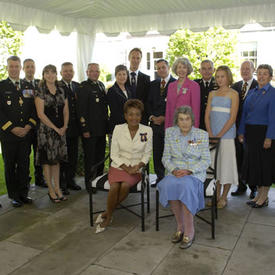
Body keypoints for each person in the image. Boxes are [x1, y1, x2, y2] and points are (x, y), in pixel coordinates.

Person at [95, 99, 152, 233]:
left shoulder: (147, 130)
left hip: (136, 168)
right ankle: (109, 215)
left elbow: (147, 154)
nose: (134, 117)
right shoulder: (118, 129)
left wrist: (137, 166)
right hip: (119, 167)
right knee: (115, 186)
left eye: (137, 114)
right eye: (131, 114)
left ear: (141, 116)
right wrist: (127, 168)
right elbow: (114, 154)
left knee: (125, 185)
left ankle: (107, 214)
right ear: (125, 115)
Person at [157, 106, 210, 249]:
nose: (184, 122)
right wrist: (174, 170)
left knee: (185, 187)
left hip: (193, 173)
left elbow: (206, 160)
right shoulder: (170, 133)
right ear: (176, 121)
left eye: (187, 119)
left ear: (192, 120)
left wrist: (189, 170)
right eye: (181, 119)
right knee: (168, 185)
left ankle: (189, 229)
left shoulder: (201, 135)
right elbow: (165, 157)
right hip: (175, 171)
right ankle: (180, 226)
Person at [0, 56, 37, 207]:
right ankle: (14, 196)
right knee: (10, 166)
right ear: (7, 68)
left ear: (20, 68)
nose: (14, 69)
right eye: (11, 66)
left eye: (17, 66)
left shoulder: (27, 86)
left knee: (24, 164)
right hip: (8, 134)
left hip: (25, 134)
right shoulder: (1, 86)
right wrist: (12, 128)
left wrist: (28, 126)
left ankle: (23, 193)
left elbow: (33, 109)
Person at [238, 64, 275, 208]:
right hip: (250, 134)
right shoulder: (252, 92)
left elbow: (273, 118)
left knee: (264, 166)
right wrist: (241, 132)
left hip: (264, 134)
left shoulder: (273, 93)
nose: (261, 76)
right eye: (259, 73)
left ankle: (264, 197)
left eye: (265, 74)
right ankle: (258, 196)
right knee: (255, 166)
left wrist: (269, 137)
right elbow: (244, 115)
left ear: (271, 77)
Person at [205, 65, 239, 208]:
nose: (219, 79)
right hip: (212, 136)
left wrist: (219, 135)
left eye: (222, 76)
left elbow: (232, 118)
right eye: (217, 76)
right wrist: (211, 134)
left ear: (228, 77)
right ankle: (215, 196)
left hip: (226, 136)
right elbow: (206, 116)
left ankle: (224, 197)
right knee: (215, 167)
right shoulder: (212, 94)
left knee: (226, 166)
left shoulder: (234, 94)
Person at [35, 64, 69, 203]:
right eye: (47, 73)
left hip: (61, 130)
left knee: (56, 162)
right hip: (46, 132)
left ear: (56, 74)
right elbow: (40, 114)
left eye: (53, 73)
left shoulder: (61, 89)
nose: (50, 75)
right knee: (47, 162)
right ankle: (50, 190)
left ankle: (58, 188)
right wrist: (56, 128)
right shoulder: (40, 90)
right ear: (43, 75)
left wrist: (65, 126)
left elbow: (66, 110)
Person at [76, 63, 109, 192]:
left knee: (100, 157)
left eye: (97, 71)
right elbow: (81, 110)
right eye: (92, 71)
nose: (95, 73)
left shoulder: (100, 85)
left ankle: (98, 180)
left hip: (101, 129)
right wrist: (85, 129)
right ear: (87, 72)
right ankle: (89, 183)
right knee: (90, 158)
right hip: (90, 131)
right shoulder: (83, 87)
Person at [231, 61, 258, 199]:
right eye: (243, 69)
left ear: (253, 70)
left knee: (251, 160)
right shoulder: (235, 86)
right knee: (239, 158)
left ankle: (254, 188)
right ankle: (241, 185)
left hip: (252, 130)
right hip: (236, 129)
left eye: (248, 69)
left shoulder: (259, 86)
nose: (245, 71)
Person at [147, 59, 176, 187]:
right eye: (158, 68)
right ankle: (160, 177)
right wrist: (152, 117)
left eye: (163, 67)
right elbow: (148, 103)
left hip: (169, 124)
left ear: (168, 68)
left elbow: (176, 105)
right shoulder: (153, 84)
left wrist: (165, 117)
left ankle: (171, 178)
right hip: (155, 124)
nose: (161, 70)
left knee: (169, 152)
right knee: (157, 152)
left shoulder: (176, 83)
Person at [22, 58, 47, 188]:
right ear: (23, 69)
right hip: (26, 126)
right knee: (25, 156)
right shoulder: (19, 85)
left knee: (39, 153)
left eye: (32, 66)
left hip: (39, 126)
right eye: (27, 67)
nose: (30, 69)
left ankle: (39, 178)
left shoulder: (40, 84)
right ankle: (26, 180)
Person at [59, 62, 81, 195]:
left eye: (70, 71)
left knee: (73, 156)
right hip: (62, 127)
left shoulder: (77, 86)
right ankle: (62, 184)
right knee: (63, 158)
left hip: (75, 128)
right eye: (65, 71)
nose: (68, 73)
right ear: (61, 73)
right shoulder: (57, 86)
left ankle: (70, 181)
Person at [165, 57, 200, 129]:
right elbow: (168, 109)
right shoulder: (171, 86)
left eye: (184, 67)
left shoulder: (194, 85)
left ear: (188, 69)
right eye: (179, 67)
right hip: (172, 125)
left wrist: (194, 128)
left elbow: (196, 110)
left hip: (187, 125)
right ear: (176, 69)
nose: (181, 70)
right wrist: (167, 129)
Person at [126, 48, 150, 124]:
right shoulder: (122, 76)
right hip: (125, 119)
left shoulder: (146, 78)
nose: (135, 60)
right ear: (129, 58)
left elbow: (147, 100)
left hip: (141, 119)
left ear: (140, 60)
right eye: (133, 57)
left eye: (138, 58)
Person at [106, 64, 131, 134]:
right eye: (119, 74)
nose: (122, 77)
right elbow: (115, 111)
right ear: (115, 76)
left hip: (129, 126)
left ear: (127, 76)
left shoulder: (129, 89)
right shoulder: (111, 90)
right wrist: (129, 119)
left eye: (124, 74)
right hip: (117, 126)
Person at [194, 60, 218, 130]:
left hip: (215, 122)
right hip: (198, 122)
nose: (207, 71)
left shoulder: (219, 84)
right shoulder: (195, 84)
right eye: (204, 69)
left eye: (210, 68)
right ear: (199, 70)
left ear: (214, 70)